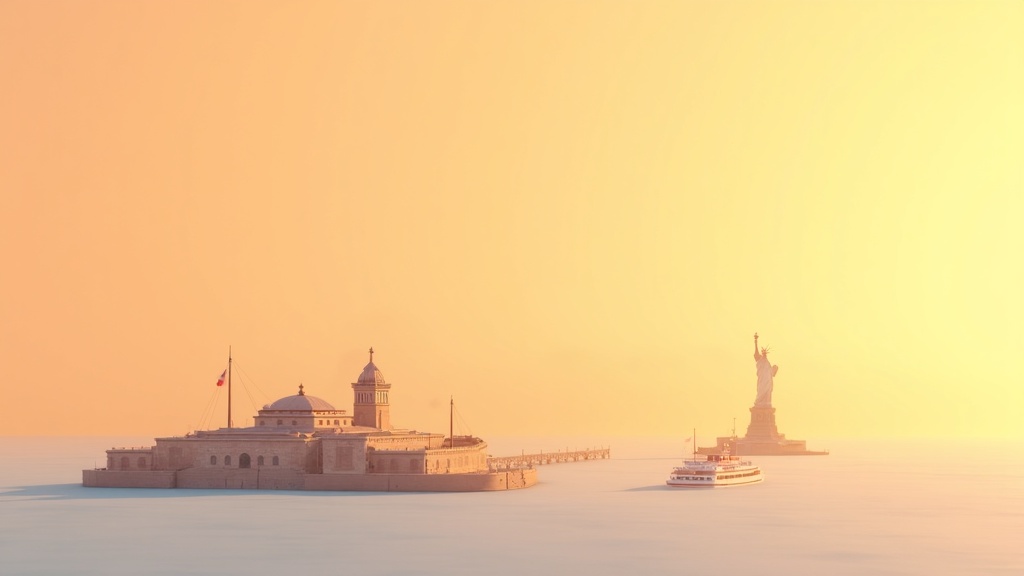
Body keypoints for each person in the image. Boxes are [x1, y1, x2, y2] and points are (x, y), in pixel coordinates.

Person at [753, 333, 779, 407]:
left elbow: (772, 372)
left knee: (767, 391)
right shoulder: (760, 361)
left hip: (768, 381)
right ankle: (760, 402)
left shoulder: (767, 363)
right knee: (761, 391)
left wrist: (775, 368)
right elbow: (756, 354)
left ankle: (766, 402)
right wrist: (756, 343)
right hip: (762, 381)